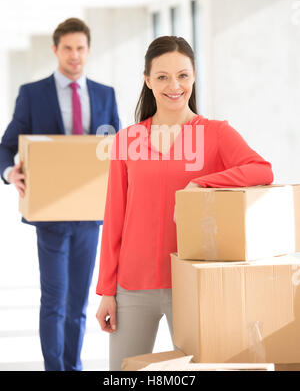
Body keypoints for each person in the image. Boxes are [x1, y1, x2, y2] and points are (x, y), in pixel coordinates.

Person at [95, 35, 273, 371]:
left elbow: (261, 170)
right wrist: (107, 290)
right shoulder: (127, 139)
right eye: (162, 77)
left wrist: (202, 180)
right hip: (132, 287)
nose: (173, 85)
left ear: (193, 77)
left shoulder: (216, 133)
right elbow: (114, 217)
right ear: (147, 81)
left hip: (192, 284)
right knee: (122, 376)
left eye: (182, 75)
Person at [0, 18, 120, 371]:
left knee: (78, 301)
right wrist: (11, 172)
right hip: (50, 212)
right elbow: (5, 147)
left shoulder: (104, 94)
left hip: (90, 214)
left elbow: (116, 148)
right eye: (67, 48)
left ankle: (74, 365)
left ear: (88, 50)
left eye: (81, 48)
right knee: (54, 298)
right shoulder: (33, 93)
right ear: (55, 50)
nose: (74, 55)